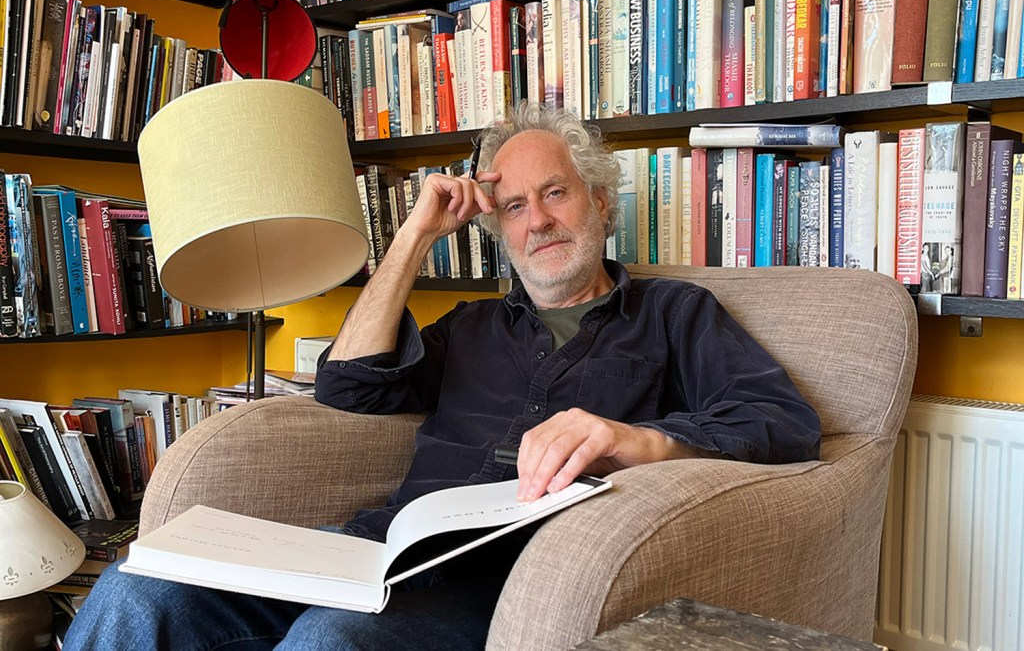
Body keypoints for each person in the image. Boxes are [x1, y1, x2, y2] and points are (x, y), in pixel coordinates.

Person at [64, 106, 820, 650]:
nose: (537, 221)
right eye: (513, 207)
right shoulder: (472, 325)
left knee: (330, 638)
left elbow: (782, 423)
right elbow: (348, 385)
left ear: (598, 201)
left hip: (509, 577)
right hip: (382, 549)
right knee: (135, 588)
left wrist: (630, 439)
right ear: (498, 229)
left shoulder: (674, 313)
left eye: (555, 193)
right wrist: (415, 235)